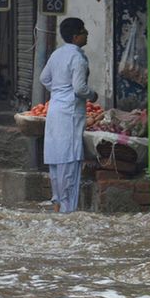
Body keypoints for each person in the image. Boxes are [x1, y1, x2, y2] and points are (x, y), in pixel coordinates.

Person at [40, 17, 95, 213]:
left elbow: (44, 78)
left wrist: (58, 91)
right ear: (75, 36)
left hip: (55, 110)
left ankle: (57, 203)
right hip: (70, 113)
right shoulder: (77, 57)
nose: (87, 34)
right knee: (70, 160)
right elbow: (80, 88)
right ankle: (67, 210)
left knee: (56, 159)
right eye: (83, 31)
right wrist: (93, 95)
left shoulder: (57, 54)